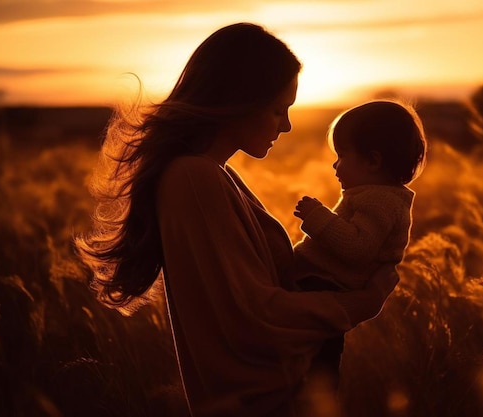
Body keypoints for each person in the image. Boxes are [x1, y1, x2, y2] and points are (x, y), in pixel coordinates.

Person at [75, 23, 398, 417]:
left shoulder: (214, 175)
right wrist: (364, 300)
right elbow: (255, 318)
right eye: (279, 109)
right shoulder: (194, 179)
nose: (287, 125)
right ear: (240, 101)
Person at [291, 100, 427, 384]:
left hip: (329, 290)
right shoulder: (373, 194)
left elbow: (358, 248)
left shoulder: (382, 201)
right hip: (324, 290)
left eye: (341, 155)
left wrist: (319, 219)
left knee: (315, 374)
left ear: (373, 161)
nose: (335, 164)